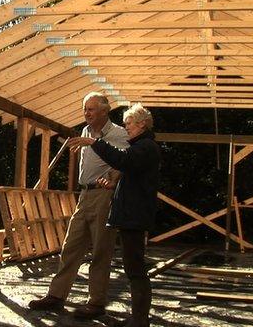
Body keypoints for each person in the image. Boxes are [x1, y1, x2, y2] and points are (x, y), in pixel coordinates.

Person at [28, 92, 129, 318]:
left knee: (101, 250)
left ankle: (96, 303)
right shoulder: (85, 131)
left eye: (91, 109)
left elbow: (124, 162)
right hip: (84, 195)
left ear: (105, 111)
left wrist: (113, 178)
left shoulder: (119, 134)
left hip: (105, 195)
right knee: (70, 245)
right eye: (85, 109)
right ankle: (56, 296)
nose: (86, 113)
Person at [68, 103, 160, 327]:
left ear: (141, 124)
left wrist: (94, 142)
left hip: (134, 216)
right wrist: (112, 186)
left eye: (129, 123)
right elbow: (131, 178)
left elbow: (122, 161)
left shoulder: (146, 146)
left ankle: (139, 322)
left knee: (136, 270)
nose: (126, 127)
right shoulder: (142, 146)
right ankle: (137, 319)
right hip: (132, 215)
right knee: (133, 268)